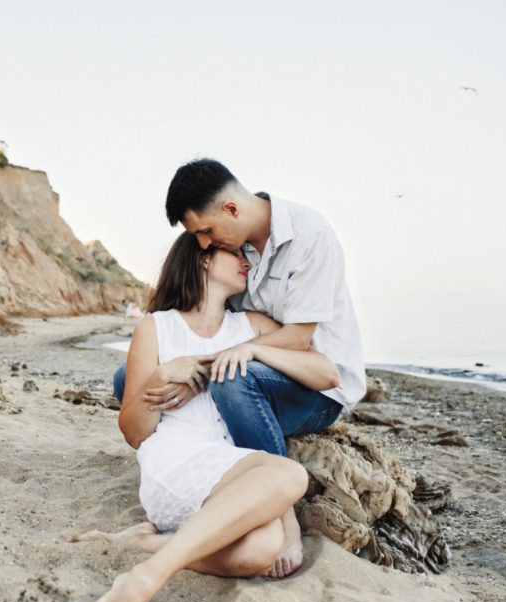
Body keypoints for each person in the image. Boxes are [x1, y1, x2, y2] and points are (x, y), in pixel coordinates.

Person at [112, 158, 366, 576]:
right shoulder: (242, 246)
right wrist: (175, 371)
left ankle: (284, 516)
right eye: (202, 242)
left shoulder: (309, 236)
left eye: (208, 233)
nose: (209, 244)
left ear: (230, 209)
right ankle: (174, 455)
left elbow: (301, 340)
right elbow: (198, 325)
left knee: (232, 380)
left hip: (312, 390)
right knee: (129, 378)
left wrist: (210, 365)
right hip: (253, 376)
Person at [75, 233, 339, 602]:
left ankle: (149, 544)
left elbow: (327, 373)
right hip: (175, 460)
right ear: (203, 259)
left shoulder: (253, 326)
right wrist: (161, 375)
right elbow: (134, 433)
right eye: (235, 253)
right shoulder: (155, 328)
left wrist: (254, 350)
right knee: (288, 473)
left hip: (227, 463)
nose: (247, 261)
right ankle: (145, 579)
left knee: (263, 548)